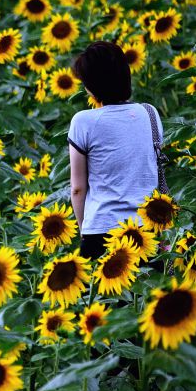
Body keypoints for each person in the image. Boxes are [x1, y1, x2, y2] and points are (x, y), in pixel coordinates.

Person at [68, 41, 164, 259]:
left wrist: (86, 230)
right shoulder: (150, 113)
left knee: (103, 293)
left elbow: (77, 188)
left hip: (101, 230)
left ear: (91, 86)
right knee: (148, 292)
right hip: (147, 231)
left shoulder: (83, 121)